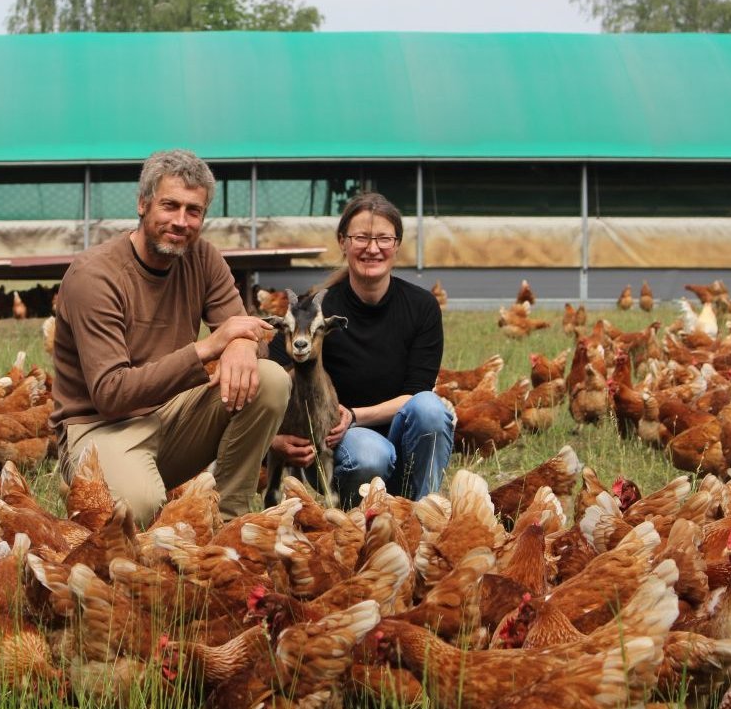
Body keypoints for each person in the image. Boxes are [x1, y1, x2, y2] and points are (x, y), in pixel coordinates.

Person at [52, 149, 290, 525]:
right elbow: (111, 394)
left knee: (271, 380)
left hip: (171, 415)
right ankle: (100, 490)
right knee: (135, 509)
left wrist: (242, 343)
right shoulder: (95, 276)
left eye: (193, 211)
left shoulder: (203, 257)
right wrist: (210, 346)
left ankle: (227, 521)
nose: (181, 221)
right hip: (100, 427)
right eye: (170, 206)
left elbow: (248, 331)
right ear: (142, 204)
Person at [268, 192, 454, 505]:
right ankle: (357, 520)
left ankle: (418, 511)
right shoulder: (312, 311)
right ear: (342, 242)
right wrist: (272, 441)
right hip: (341, 445)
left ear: (396, 244)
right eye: (361, 237)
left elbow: (417, 394)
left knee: (431, 409)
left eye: (383, 238)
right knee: (370, 454)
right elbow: (270, 378)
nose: (372, 248)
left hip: (396, 435)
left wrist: (354, 415)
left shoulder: (422, 307)